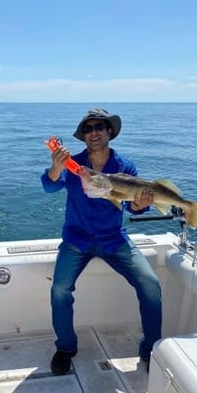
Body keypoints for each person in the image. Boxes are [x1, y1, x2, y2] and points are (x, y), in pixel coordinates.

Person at [41, 108, 162, 375]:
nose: (93, 132)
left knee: (151, 284)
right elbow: (50, 186)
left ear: (109, 132)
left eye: (99, 127)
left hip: (113, 239)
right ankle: (65, 348)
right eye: (88, 128)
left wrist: (141, 205)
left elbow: (132, 208)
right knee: (59, 289)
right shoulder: (73, 165)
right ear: (83, 135)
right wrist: (55, 167)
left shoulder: (124, 166)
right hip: (77, 240)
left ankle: (151, 349)